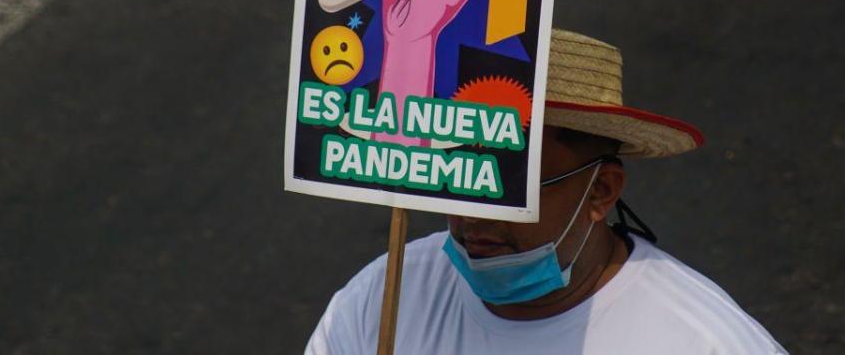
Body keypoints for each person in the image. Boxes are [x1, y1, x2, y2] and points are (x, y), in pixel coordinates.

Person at [305, 29, 786, 354]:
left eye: (506, 185)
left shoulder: (700, 342)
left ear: (601, 190)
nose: (473, 215)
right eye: (456, 174)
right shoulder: (384, 297)